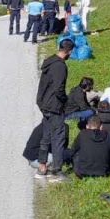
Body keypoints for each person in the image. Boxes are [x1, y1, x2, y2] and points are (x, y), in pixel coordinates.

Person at [34, 38, 75, 183]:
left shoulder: (49, 61)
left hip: (44, 103)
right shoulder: (60, 66)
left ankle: (42, 167)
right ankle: (56, 171)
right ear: (69, 51)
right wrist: (65, 100)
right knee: (58, 136)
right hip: (54, 106)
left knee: (46, 135)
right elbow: (59, 89)